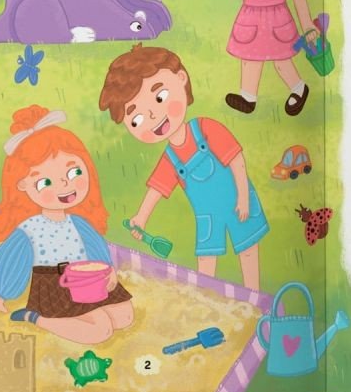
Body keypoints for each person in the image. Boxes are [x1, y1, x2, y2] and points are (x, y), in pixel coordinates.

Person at [99, 44, 267, 291]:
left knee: (248, 250)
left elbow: (236, 161)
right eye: (137, 119)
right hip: (207, 216)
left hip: (237, 202)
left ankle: (255, 297)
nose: (153, 116)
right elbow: (156, 190)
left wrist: (243, 197)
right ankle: (206, 299)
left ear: (181, 78)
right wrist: (141, 217)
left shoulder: (206, 128)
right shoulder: (170, 158)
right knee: (206, 259)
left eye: (160, 97)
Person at [0, 106, 134, 344]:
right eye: (45, 182)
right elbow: (9, 258)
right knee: (102, 330)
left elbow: (96, 248)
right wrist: (0, 294)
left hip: (86, 280)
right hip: (54, 286)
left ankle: (80, 316)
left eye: (74, 172)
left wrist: (108, 271)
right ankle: (36, 318)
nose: (65, 185)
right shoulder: (30, 228)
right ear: (23, 186)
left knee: (125, 316)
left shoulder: (78, 222)